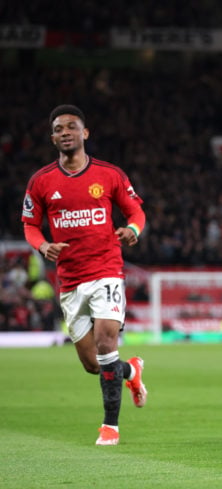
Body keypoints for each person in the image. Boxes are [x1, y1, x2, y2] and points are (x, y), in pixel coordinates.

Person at [21, 105, 148, 446]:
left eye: (72, 127)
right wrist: (41, 244)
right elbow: (30, 225)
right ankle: (131, 371)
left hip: (107, 269)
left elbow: (135, 210)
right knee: (94, 365)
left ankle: (110, 426)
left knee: (107, 343)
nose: (65, 132)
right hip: (70, 280)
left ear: (84, 133)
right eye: (59, 128)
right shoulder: (41, 181)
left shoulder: (109, 174)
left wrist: (133, 228)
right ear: (53, 138)